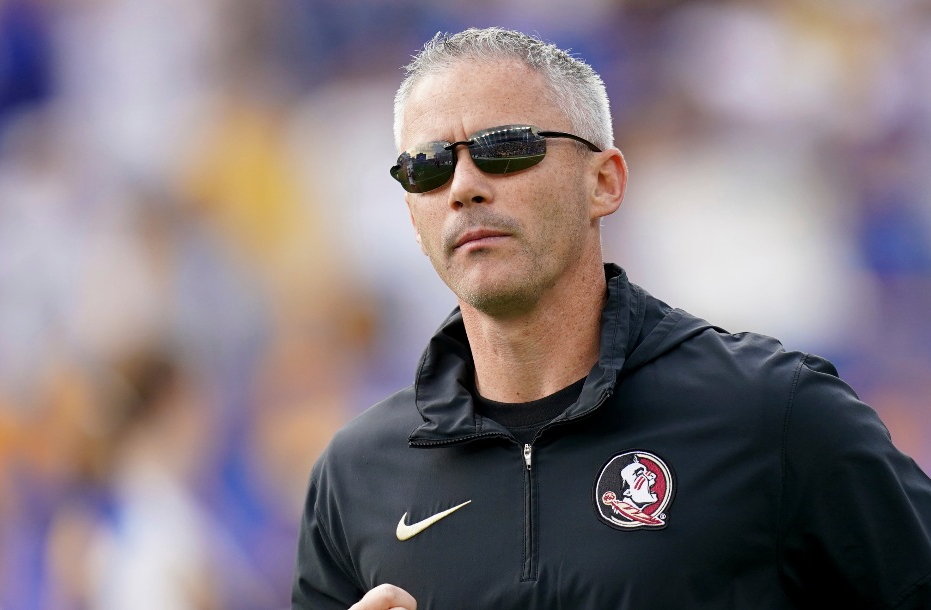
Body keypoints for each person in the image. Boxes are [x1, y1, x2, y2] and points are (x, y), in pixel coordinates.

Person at [291, 27, 931, 609]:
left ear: (605, 183)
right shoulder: (355, 474)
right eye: (426, 168)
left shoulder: (777, 414)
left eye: (505, 148)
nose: (463, 185)